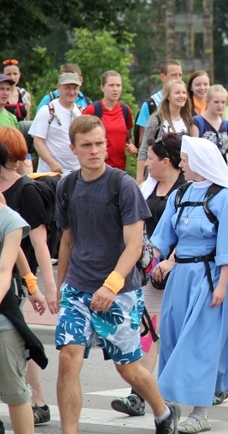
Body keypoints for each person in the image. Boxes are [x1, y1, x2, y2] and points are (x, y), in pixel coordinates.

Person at [54, 115, 180, 434]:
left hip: (119, 292)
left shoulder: (122, 185)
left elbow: (134, 246)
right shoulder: (66, 185)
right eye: (87, 146)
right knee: (69, 359)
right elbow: (67, 239)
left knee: (129, 370)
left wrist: (110, 287)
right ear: (73, 148)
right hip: (78, 289)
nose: (95, 150)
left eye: (99, 143)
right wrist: (59, 286)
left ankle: (164, 413)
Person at [150, 136, 228, 433]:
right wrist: (143, 261)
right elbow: (161, 239)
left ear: (201, 162)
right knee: (174, 339)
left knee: (199, 345)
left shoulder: (225, 198)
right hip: (181, 278)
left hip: (214, 278)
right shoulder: (179, 195)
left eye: (185, 159)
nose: (180, 163)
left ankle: (200, 413)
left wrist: (222, 287)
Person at [110, 132, 186, 417]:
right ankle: (138, 395)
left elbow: (189, 233)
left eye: (151, 158)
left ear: (166, 161)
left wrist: (171, 261)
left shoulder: (187, 188)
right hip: (150, 271)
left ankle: (223, 379)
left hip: (182, 271)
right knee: (149, 332)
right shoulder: (147, 188)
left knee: (181, 335)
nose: (147, 163)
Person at [0, 127, 58, 425]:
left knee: (18, 339)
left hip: (18, 280)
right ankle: (37, 401)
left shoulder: (27, 190)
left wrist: (47, 288)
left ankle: (38, 401)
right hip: (12, 276)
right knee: (18, 340)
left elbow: (39, 243)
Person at [0, 169, 48, 434]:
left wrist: (34, 286)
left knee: (16, 395)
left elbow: (5, 270)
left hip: (3, 319)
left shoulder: (8, 219)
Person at [135, 60, 184, 181]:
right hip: (156, 173)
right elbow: (143, 143)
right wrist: (140, 178)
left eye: (180, 75)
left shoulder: (186, 115)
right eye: (174, 75)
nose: (177, 78)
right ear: (163, 77)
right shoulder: (151, 105)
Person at [138, 79, 192, 183]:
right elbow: (144, 149)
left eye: (184, 92)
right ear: (168, 96)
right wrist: (140, 179)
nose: (182, 96)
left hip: (181, 177)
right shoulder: (156, 120)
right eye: (177, 93)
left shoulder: (188, 121)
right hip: (157, 178)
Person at [29, 72, 83, 174]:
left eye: (75, 88)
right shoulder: (47, 111)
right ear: (59, 87)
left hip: (76, 173)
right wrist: (52, 164)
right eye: (67, 88)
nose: (71, 92)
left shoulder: (81, 112)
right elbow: (38, 141)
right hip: (51, 174)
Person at [82, 70, 137, 170]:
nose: (115, 89)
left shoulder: (125, 110)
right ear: (102, 87)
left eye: (118, 85)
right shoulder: (92, 110)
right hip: (98, 168)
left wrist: (132, 146)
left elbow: (128, 137)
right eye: (111, 85)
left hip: (120, 169)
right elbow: (80, 137)